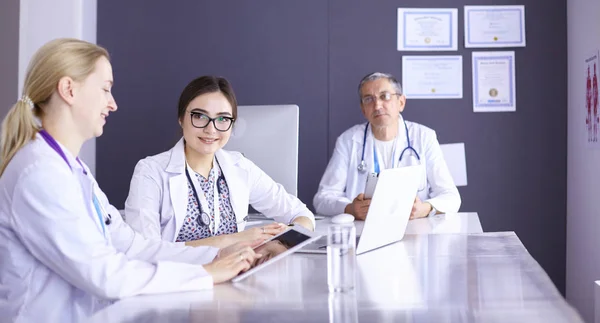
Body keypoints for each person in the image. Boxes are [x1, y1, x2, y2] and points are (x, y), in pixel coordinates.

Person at [0, 38, 261, 323]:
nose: (112, 103)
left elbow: (132, 245)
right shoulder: (39, 173)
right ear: (69, 90)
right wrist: (206, 274)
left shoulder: (71, 169)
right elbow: (104, 274)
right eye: (105, 89)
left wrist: (217, 255)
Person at [124, 75, 315, 248]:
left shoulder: (240, 166)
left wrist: (279, 244)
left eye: (222, 119)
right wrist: (233, 239)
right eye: (199, 116)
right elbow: (144, 251)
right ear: (181, 118)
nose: (211, 129)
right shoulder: (150, 171)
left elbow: (303, 215)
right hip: (180, 281)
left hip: (237, 278)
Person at [313, 72, 461, 220]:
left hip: (413, 230)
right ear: (363, 109)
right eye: (368, 99)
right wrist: (349, 208)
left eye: (385, 96)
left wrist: (425, 208)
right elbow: (322, 199)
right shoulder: (348, 141)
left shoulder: (424, 137)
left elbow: (451, 197)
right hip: (364, 230)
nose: (377, 105)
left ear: (401, 103)